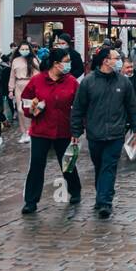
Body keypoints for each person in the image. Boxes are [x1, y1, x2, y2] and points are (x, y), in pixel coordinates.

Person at [70, 46, 136, 219]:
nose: (119, 60)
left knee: (109, 167)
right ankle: (100, 195)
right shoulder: (88, 82)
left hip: (116, 133)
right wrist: (76, 130)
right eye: (116, 57)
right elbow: (79, 108)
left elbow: (132, 106)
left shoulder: (123, 82)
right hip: (95, 133)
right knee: (99, 167)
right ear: (105, 60)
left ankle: (105, 202)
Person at [19, 52, 82, 213]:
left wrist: (77, 130)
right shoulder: (37, 80)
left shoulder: (72, 82)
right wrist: (31, 109)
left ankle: (75, 190)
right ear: (55, 63)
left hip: (64, 130)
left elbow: (80, 107)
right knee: (37, 165)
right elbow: (25, 100)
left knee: (67, 163)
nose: (69, 65)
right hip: (41, 130)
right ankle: (31, 201)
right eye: (66, 61)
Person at [8, 42, 37, 145]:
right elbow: (12, 76)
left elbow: (39, 74)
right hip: (19, 85)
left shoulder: (34, 60)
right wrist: (10, 89)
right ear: (19, 50)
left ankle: (29, 131)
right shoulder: (15, 60)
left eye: (26, 49)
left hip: (30, 85)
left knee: (28, 109)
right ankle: (24, 132)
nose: (24, 51)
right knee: (20, 110)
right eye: (22, 49)